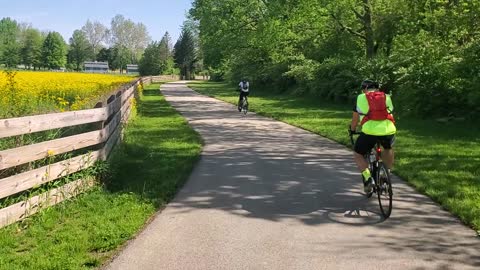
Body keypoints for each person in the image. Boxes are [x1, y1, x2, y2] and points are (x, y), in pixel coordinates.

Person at [350, 79, 396, 193]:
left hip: (369, 132)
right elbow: (390, 112)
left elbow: (355, 118)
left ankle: (367, 178)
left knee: (358, 154)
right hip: (387, 130)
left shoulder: (361, 98)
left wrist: (352, 130)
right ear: (377, 88)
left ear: (364, 89)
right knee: (388, 148)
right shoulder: (386, 97)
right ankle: (386, 173)